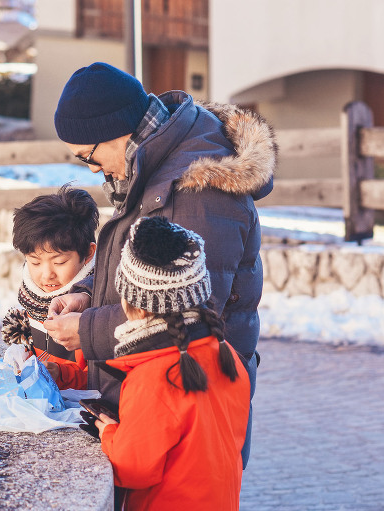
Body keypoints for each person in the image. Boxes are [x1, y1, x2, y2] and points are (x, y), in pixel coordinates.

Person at [43, 62, 276, 467]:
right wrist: (85, 294)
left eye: (88, 158)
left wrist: (88, 330)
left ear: (117, 130)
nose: (94, 169)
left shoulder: (198, 190)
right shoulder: (154, 167)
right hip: (164, 397)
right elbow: (139, 261)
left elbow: (192, 314)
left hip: (191, 412)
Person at [85, 216, 250, 510]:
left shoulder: (155, 377)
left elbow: (133, 468)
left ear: (131, 304)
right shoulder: (226, 353)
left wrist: (110, 434)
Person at [1, 185, 98, 390]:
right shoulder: (30, 302)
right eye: (35, 262)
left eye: (60, 262)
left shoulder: (97, 304)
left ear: (88, 253)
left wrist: (60, 374)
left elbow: (106, 379)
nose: (47, 275)